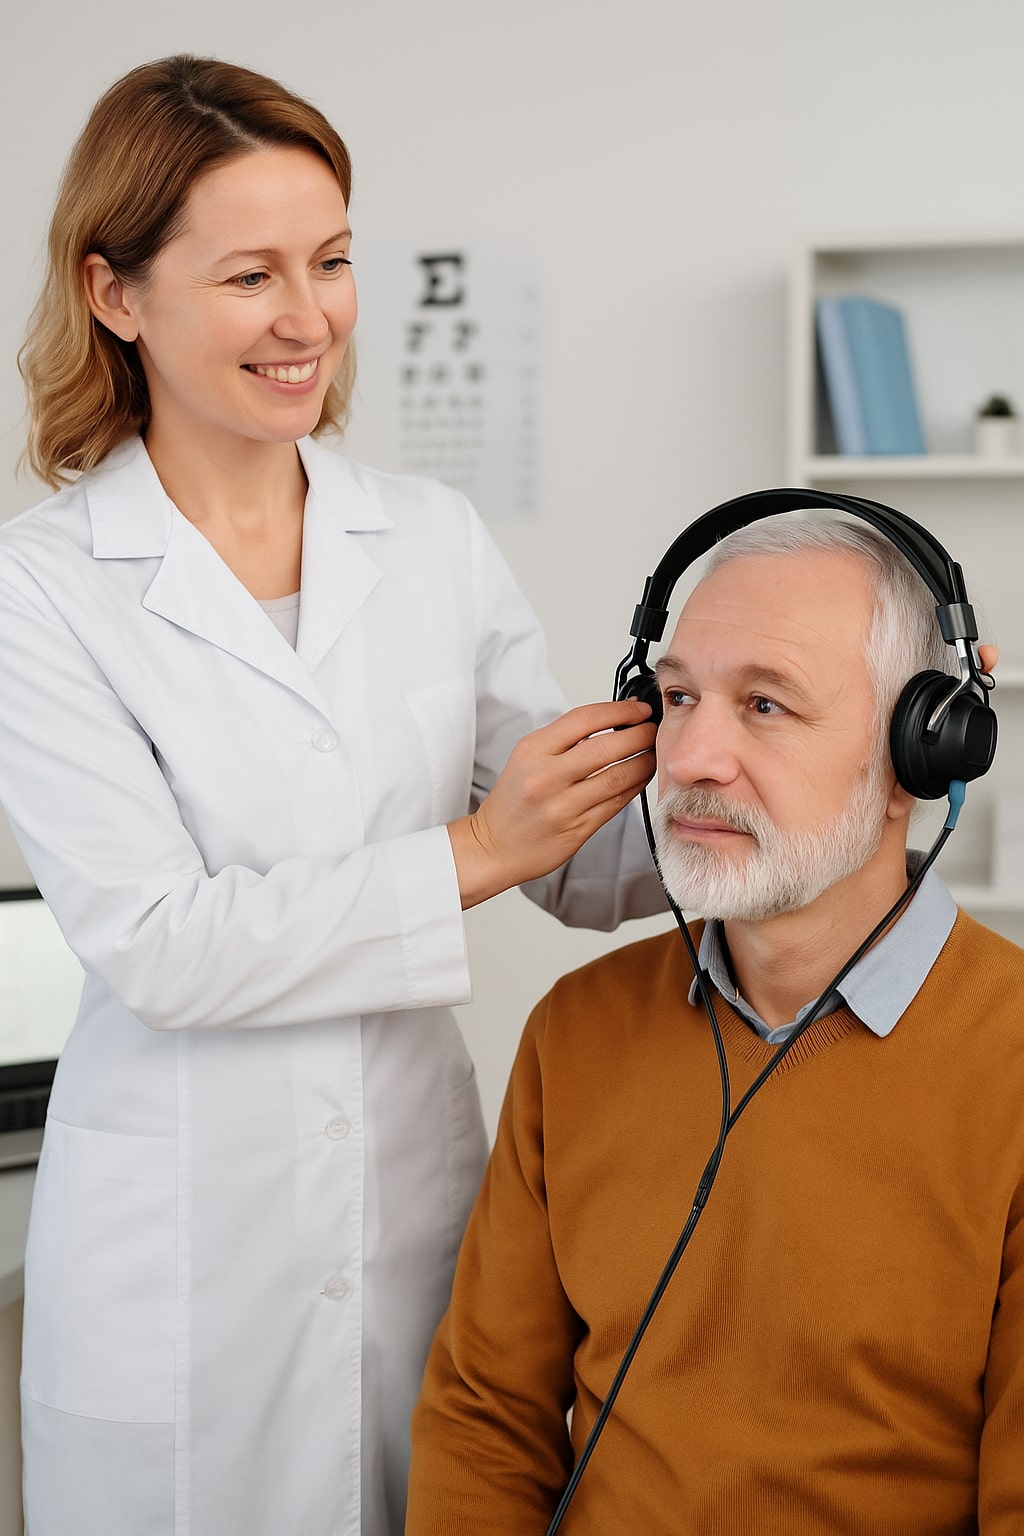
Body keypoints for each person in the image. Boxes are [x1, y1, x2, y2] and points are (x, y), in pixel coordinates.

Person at [0, 55, 664, 1536]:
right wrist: (480, 849)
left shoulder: (426, 538)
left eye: (334, 260)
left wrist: (764, 763)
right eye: (250, 274)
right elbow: (162, 943)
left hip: (411, 1218)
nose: (310, 318)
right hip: (180, 1255)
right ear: (116, 294)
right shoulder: (38, 589)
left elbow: (573, 864)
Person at [406, 515, 1024, 1534]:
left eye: (765, 704)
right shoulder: (577, 1032)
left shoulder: (1004, 1062)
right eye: (678, 697)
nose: (691, 756)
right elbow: (485, 1422)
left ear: (923, 748)